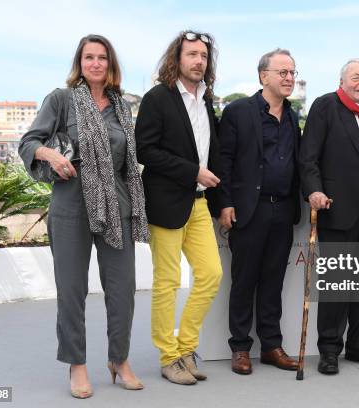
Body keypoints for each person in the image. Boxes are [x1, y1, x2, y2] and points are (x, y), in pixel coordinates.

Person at [19, 34, 149, 398]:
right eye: (89, 57)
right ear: (80, 62)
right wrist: (51, 156)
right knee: (72, 290)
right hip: (71, 205)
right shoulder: (61, 100)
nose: (95, 64)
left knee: (123, 290)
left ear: (111, 64)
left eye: (102, 58)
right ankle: (77, 366)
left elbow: (127, 164)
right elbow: (29, 141)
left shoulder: (122, 107)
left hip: (117, 207)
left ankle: (118, 360)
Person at [134, 30, 222, 385]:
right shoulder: (158, 98)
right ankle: (169, 357)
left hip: (199, 203)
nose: (198, 61)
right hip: (166, 203)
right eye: (192, 55)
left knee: (211, 275)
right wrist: (192, 171)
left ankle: (186, 347)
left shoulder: (207, 100)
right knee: (167, 282)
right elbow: (145, 150)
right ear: (177, 59)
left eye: (203, 56)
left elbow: (210, 151)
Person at [299, 58, 359, 375]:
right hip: (337, 203)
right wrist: (313, 191)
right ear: (343, 80)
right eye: (356, 77)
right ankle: (329, 350)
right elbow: (308, 156)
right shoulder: (326, 106)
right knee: (338, 280)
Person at [219, 48, 302, 375]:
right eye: (282, 72)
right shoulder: (238, 111)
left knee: (273, 282)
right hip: (248, 211)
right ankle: (240, 348)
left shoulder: (294, 116)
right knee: (244, 282)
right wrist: (225, 202)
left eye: (292, 73)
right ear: (263, 76)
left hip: (283, 210)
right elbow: (223, 160)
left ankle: (271, 346)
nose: (289, 78)